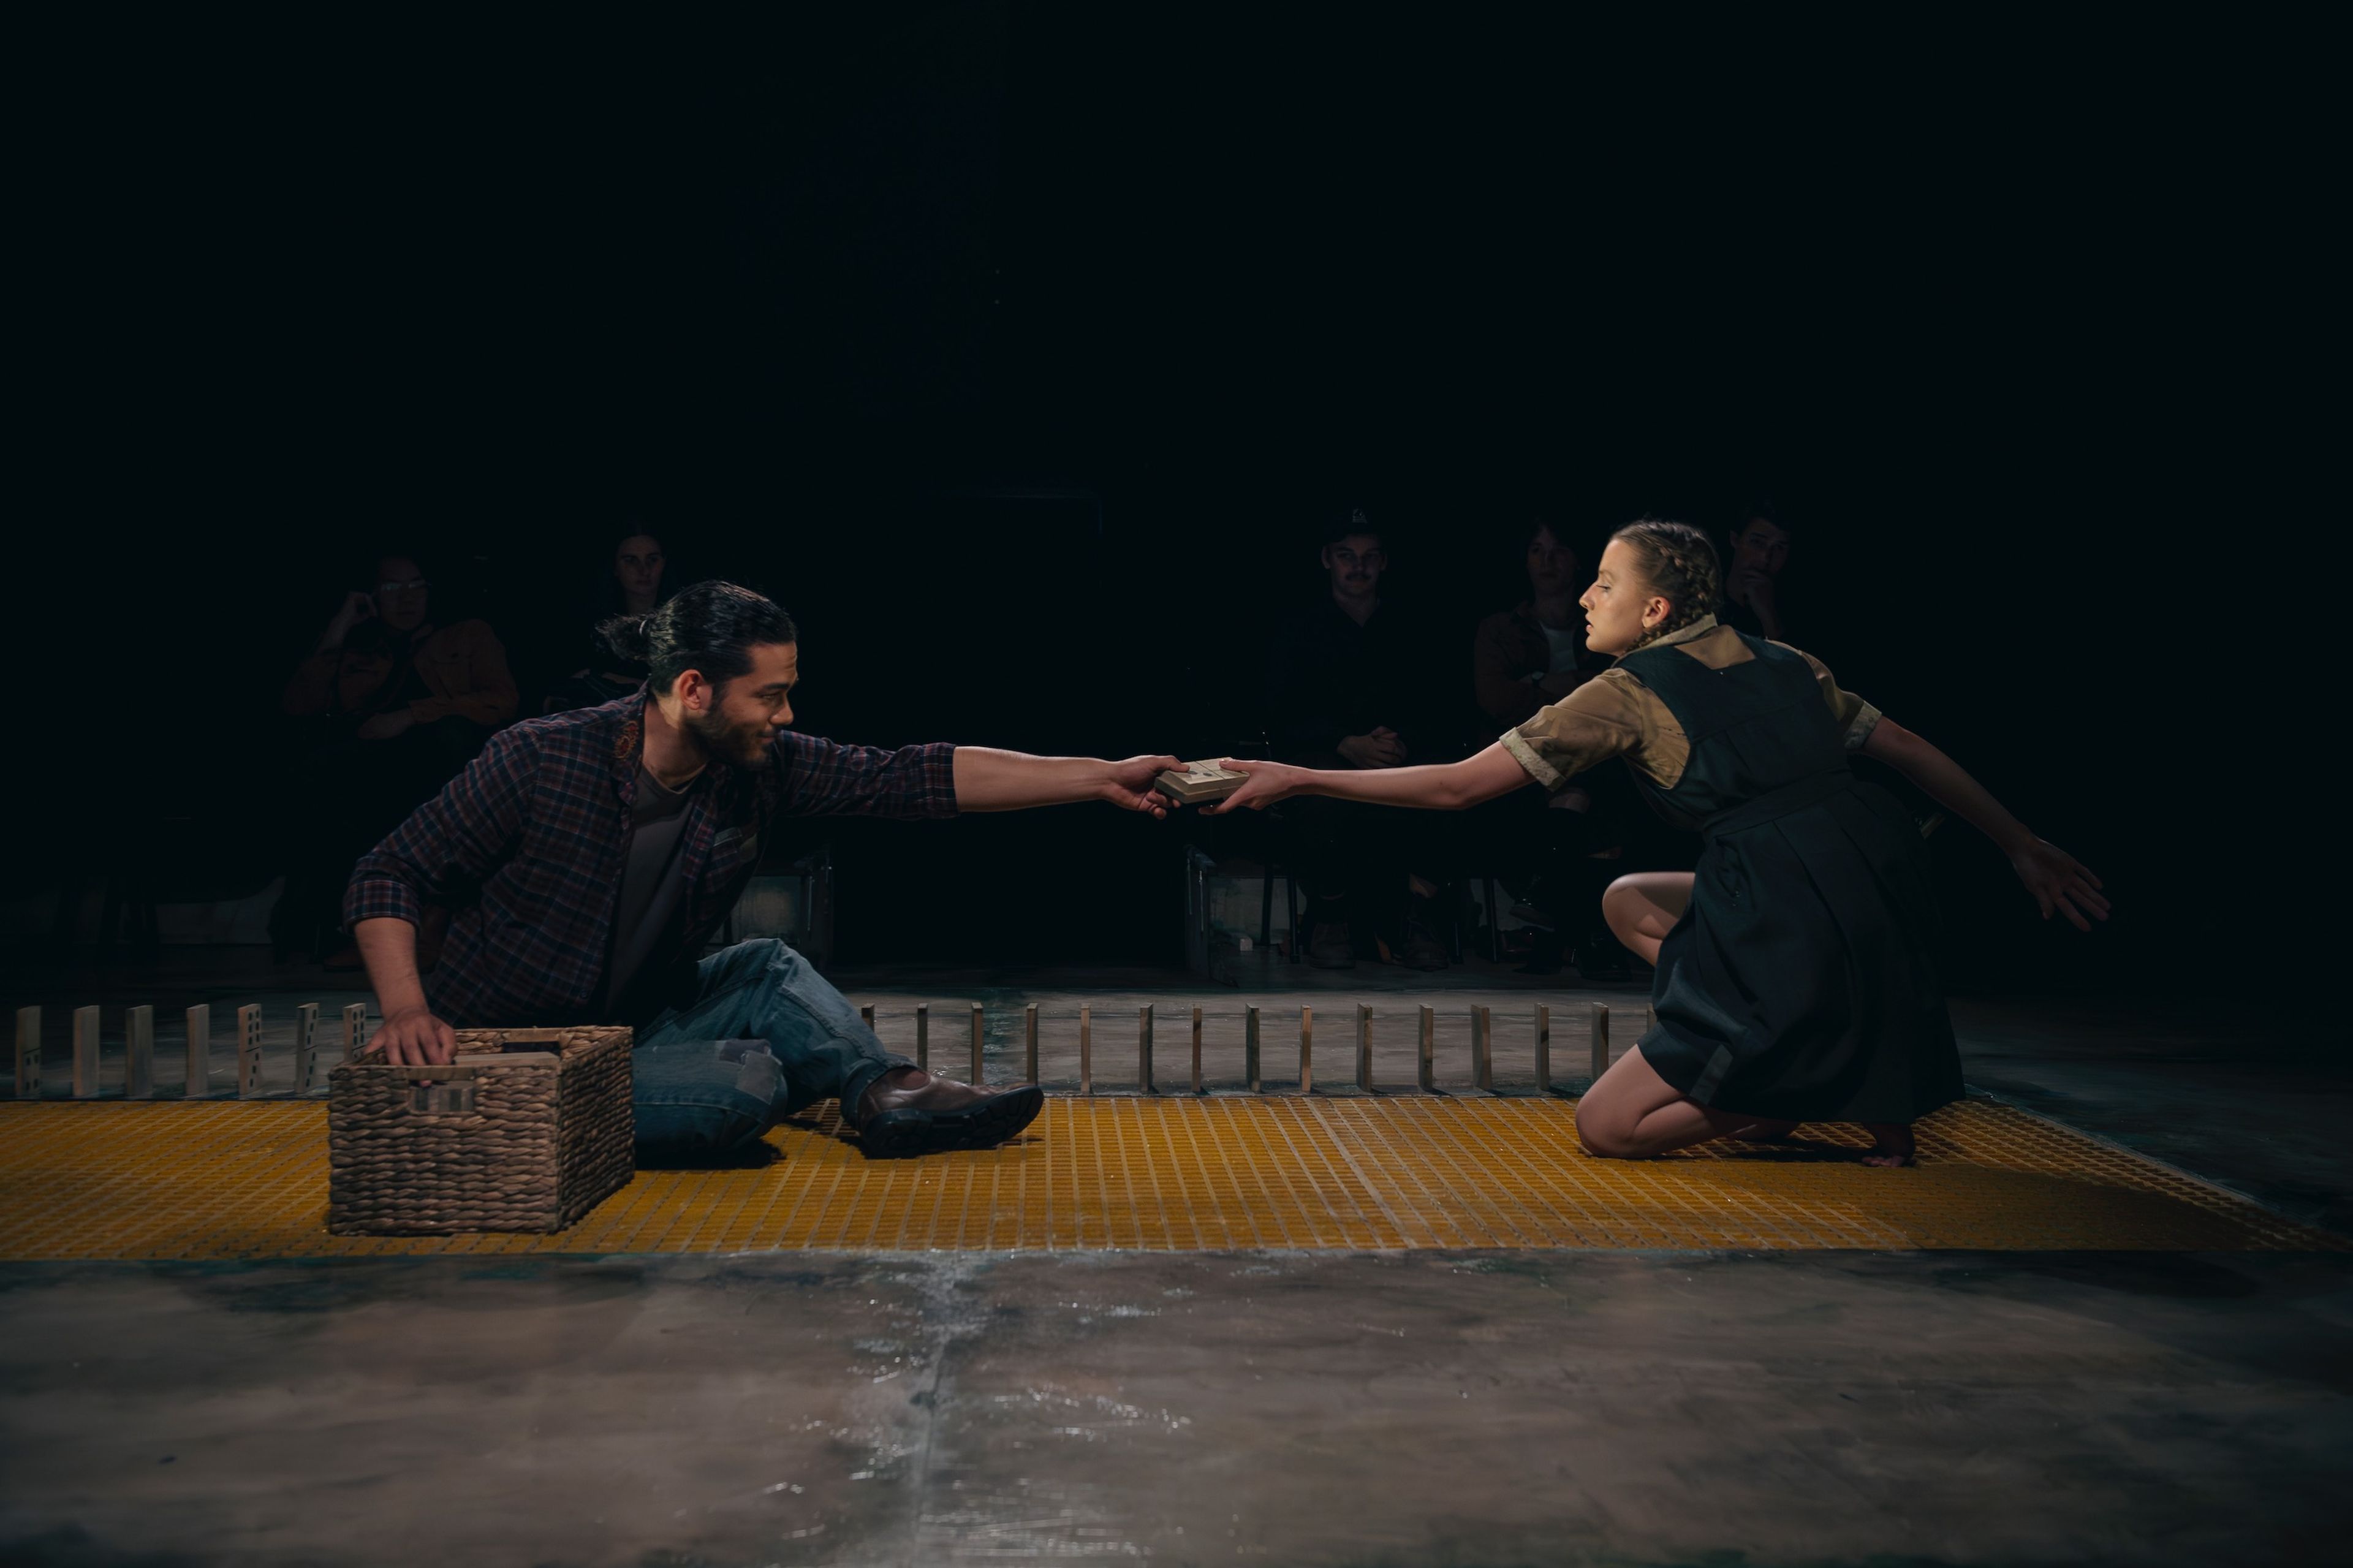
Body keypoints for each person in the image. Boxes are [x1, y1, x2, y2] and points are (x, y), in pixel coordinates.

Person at [1205, 519, 2104, 1168]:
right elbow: (1907, 751)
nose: (1589, 593)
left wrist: (1302, 775)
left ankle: (1782, 1085)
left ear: (1657, 606)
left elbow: (1457, 784)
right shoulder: (1790, 659)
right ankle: (1839, 1072)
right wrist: (2019, 843)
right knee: (1628, 900)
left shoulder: (1626, 690)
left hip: (1785, 899)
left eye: (1606, 579)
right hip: (1879, 877)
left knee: (1610, 1127)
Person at [348, 580, 1181, 1161]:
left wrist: (1101, 774)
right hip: (519, 1054)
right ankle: (642, 1103)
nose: (787, 715)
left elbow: (908, 775)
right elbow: (391, 869)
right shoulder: (541, 757)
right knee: (742, 1089)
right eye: (771, 696)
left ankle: (887, 1095)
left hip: (635, 1020)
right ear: (693, 689)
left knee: (766, 968)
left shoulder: (754, 764)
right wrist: (406, 1007)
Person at [275, 551, 520, 967]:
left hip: (443, 763)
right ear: (371, 596)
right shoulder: (361, 647)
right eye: (392, 588)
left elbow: (502, 701)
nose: (407, 598)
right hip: (374, 766)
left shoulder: (466, 635)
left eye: (416, 586)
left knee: (450, 739)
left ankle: (434, 926)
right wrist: (339, 627)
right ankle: (338, 928)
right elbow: (298, 706)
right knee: (323, 771)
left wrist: (410, 715)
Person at [1263, 506, 1453, 969]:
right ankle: (1330, 912)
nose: (1359, 566)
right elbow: (1280, 710)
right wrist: (1346, 742)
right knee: (1318, 795)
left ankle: (1416, 914)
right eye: (1347, 555)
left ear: (1384, 562)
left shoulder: (1411, 624)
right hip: (1325, 754)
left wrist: (1399, 740)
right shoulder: (1300, 627)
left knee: (1448, 784)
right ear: (1328, 559)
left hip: (1397, 755)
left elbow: (1438, 700)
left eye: (1369, 556)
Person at [1468, 518, 1625, 975]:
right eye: (1537, 550)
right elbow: (1496, 700)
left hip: (1592, 761)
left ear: (1578, 560)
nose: (1547, 560)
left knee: (1602, 779)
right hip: (1522, 765)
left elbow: (1618, 691)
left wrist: (1539, 684)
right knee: (1588, 796)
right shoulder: (1501, 628)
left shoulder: (1602, 625)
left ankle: (1549, 912)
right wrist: (1565, 688)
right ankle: (1589, 939)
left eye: (1557, 550)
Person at [544, 530, 676, 714]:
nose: (644, 570)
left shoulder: (680, 623)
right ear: (615, 567)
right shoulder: (592, 624)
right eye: (631, 560)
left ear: (664, 563)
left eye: (652, 560)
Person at [1716, 506, 1792, 640]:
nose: (1766, 557)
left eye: (1779, 548)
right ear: (1735, 539)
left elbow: (1796, 660)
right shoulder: (1704, 598)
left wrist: (1769, 618)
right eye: (1757, 542)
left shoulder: (1791, 610)